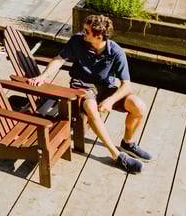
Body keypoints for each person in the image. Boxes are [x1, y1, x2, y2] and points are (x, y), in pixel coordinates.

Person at [29, 13, 151, 174]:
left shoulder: (116, 52)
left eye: (86, 31)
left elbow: (126, 85)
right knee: (91, 108)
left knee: (138, 106)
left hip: (106, 88)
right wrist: (43, 76)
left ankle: (128, 142)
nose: (82, 32)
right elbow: (59, 59)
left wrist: (110, 100)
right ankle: (116, 155)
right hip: (83, 85)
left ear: (98, 36)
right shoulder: (77, 41)